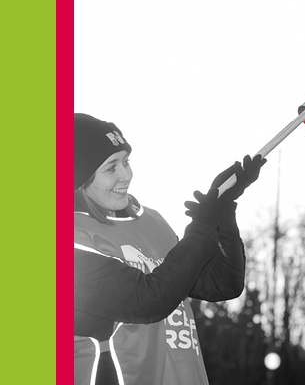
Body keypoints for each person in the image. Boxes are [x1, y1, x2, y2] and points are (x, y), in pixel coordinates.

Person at [73, 113, 266, 385]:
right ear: (78, 178)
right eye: (111, 167)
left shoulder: (150, 221)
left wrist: (221, 210)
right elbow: (148, 300)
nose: (126, 175)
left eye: (126, 162)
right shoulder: (71, 239)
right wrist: (203, 224)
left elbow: (221, 284)